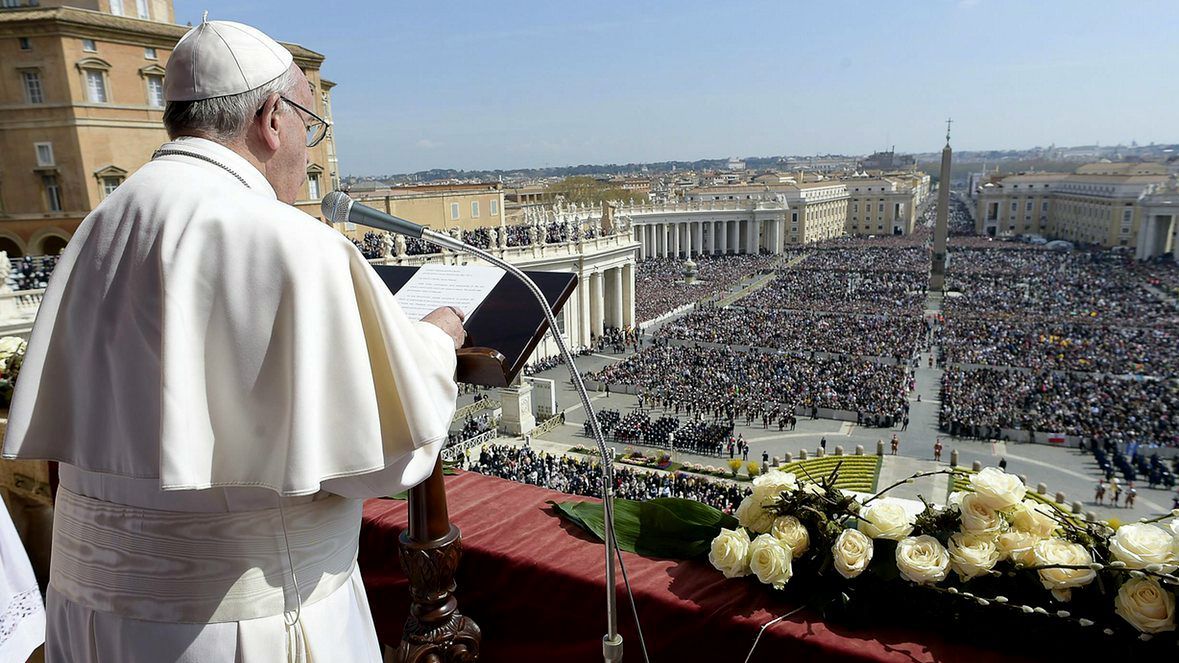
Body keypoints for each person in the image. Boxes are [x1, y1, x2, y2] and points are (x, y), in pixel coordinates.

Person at [2, 20, 467, 663]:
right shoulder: (290, 241)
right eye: (311, 126)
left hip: (93, 621)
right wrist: (436, 342)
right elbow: (384, 460)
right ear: (273, 118)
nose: (309, 154)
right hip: (243, 630)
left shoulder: (97, 231)